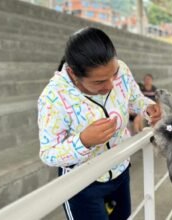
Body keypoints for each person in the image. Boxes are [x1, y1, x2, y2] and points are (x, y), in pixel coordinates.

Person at [37, 27, 162, 220]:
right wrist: (83, 141)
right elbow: (48, 153)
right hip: (82, 185)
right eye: (99, 82)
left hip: (120, 170)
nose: (111, 84)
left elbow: (134, 99)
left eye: (114, 74)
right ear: (73, 74)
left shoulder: (120, 69)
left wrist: (148, 108)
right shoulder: (53, 97)